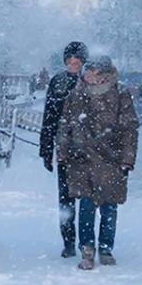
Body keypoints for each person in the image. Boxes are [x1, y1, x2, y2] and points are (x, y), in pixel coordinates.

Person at [56, 56, 139, 270]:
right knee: (85, 206)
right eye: (87, 72)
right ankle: (87, 248)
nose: (88, 76)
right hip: (81, 159)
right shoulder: (76, 94)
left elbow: (130, 129)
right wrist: (62, 151)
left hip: (111, 159)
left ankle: (105, 247)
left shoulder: (120, 94)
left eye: (93, 72)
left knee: (109, 206)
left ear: (104, 75)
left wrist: (127, 159)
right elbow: (65, 125)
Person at [39, 41, 87, 258]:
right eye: (70, 60)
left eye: (78, 61)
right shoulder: (58, 82)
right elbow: (49, 117)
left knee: (87, 197)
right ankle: (68, 241)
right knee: (66, 199)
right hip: (65, 149)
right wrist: (46, 149)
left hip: (88, 149)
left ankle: (87, 242)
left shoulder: (90, 81)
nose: (74, 64)